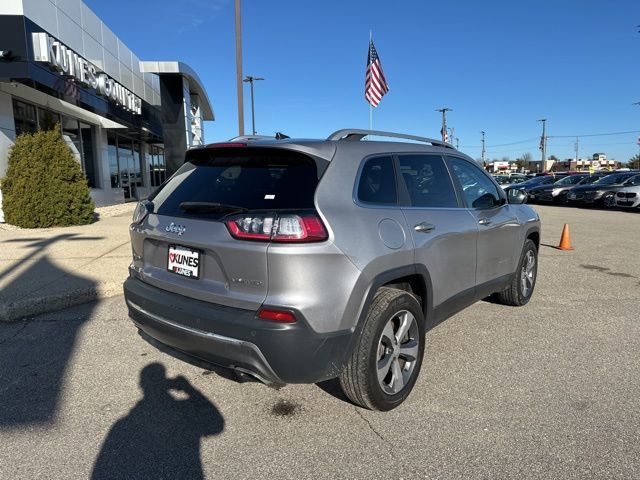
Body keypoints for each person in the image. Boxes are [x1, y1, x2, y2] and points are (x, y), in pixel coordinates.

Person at [91, 363, 224, 479]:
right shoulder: (122, 425)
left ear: (141, 385)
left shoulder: (120, 425)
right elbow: (217, 426)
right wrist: (188, 388)